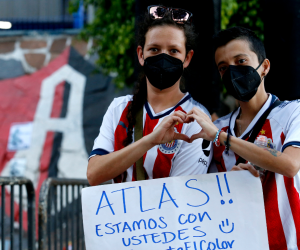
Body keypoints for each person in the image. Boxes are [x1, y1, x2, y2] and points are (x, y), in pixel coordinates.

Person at [186, 27, 300, 250]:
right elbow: (201, 198)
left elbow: (290, 165)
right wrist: (230, 184)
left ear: (264, 67)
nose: (232, 72)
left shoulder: (293, 112)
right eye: (223, 68)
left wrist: (222, 137)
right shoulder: (215, 128)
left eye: (241, 61)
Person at [87, 6, 212, 185]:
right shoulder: (119, 108)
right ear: (141, 54)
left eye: (173, 51)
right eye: (154, 49)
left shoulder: (196, 119)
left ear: (187, 59)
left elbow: (182, 196)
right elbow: (93, 174)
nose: (163, 57)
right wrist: (150, 140)